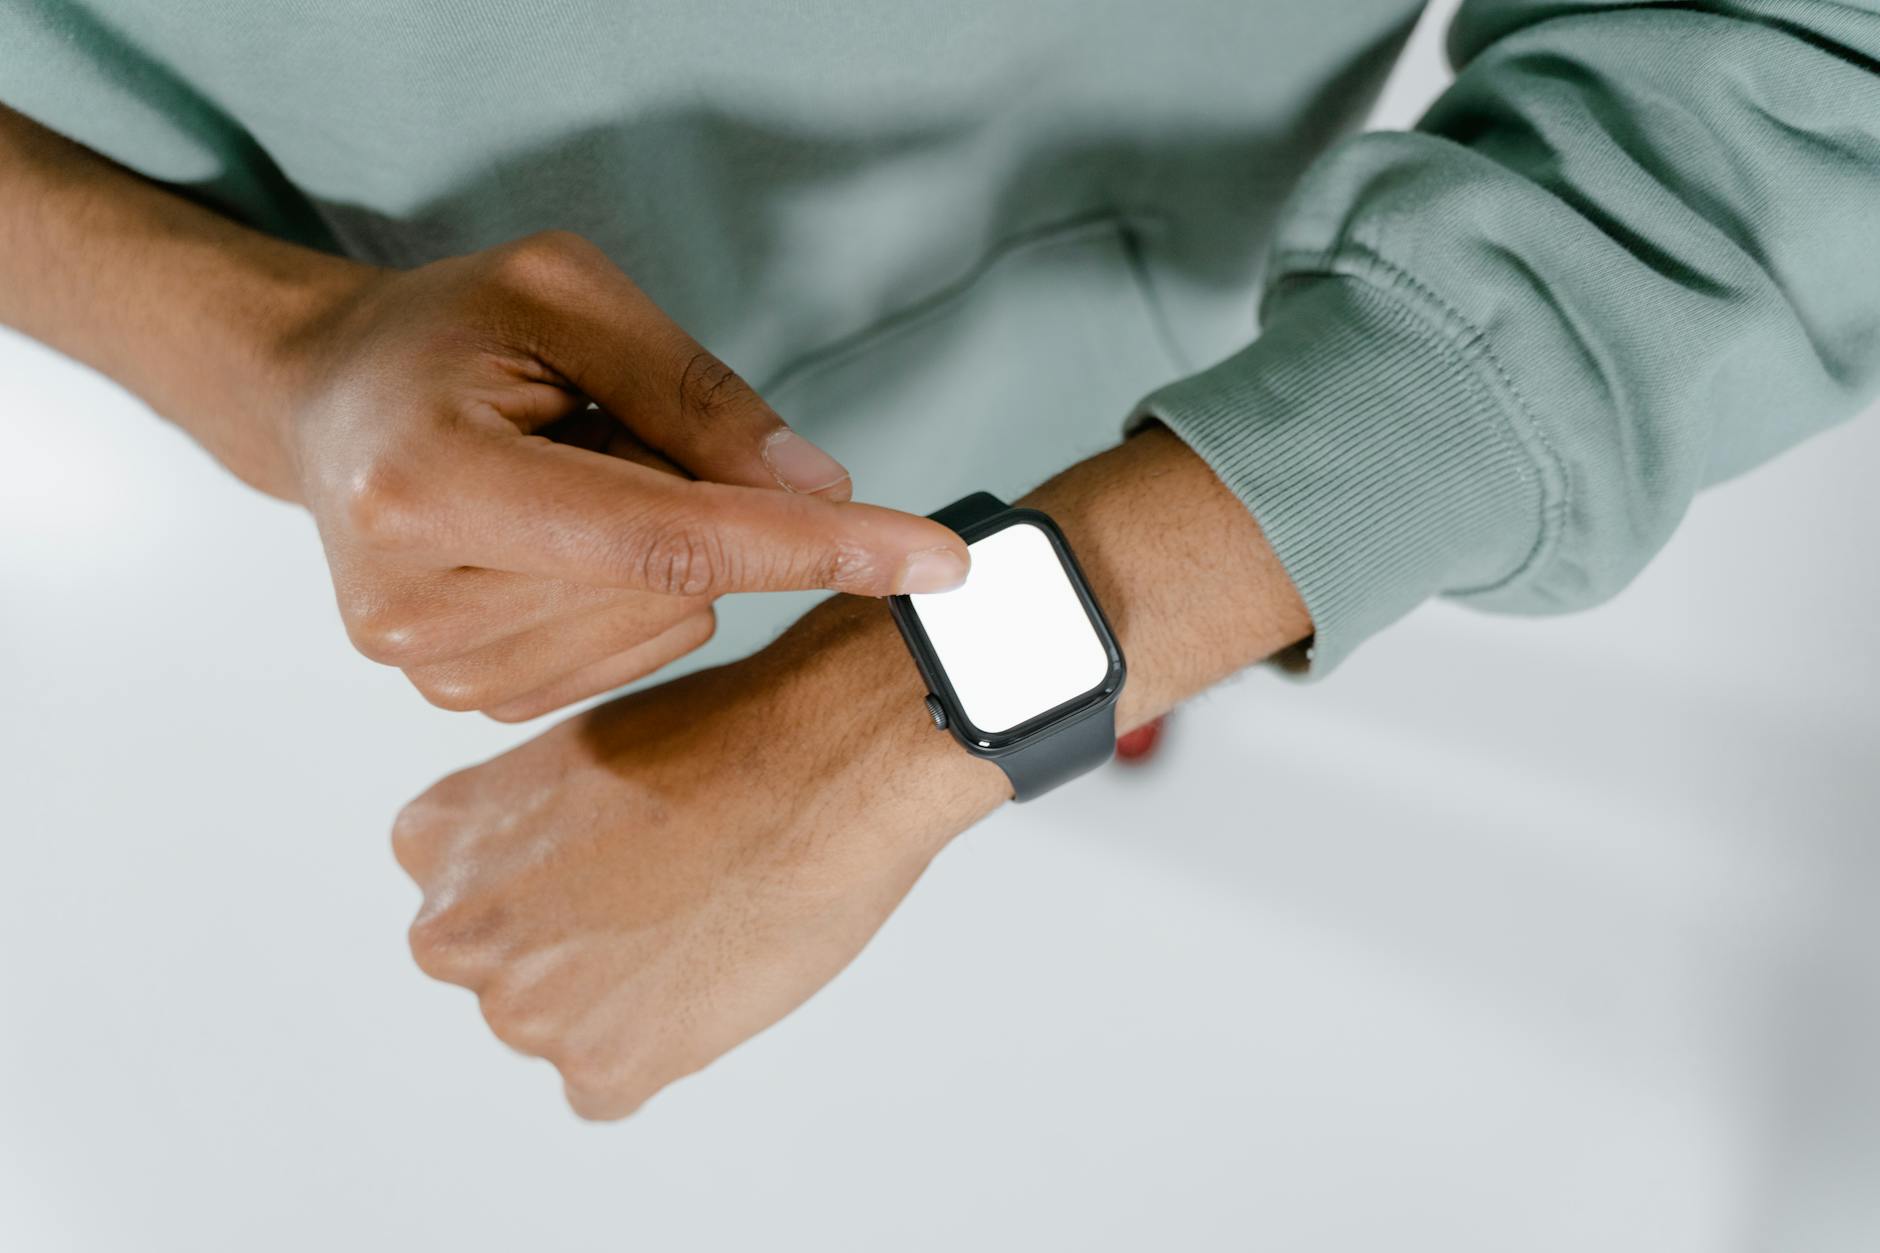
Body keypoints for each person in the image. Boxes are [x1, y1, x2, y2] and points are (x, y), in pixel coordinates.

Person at [4, 1, 1875, 1120]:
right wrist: (261, 344)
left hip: (1164, 278)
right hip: (485, 405)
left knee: (1103, 527)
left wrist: (909, 725)